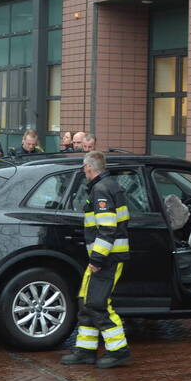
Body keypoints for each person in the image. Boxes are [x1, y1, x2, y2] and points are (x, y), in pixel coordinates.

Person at [60, 151, 132, 369]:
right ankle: (85, 350)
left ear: (89, 168)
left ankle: (118, 351)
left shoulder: (101, 190)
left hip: (107, 258)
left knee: (98, 303)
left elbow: (108, 228)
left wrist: (98, 259)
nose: (84, 171)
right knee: (86, 301)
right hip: (106, 257)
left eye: (84, 167)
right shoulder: (108, 186)